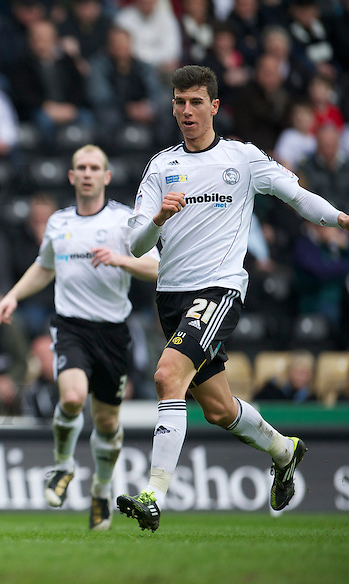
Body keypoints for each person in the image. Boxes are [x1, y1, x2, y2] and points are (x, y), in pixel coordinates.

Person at [118, 65, 349, 532]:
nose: (187, 111)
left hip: (219, 289)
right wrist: (158, 219)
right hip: (171, 298)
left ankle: (154, 494)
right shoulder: (161, 167)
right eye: (180, 102)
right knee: (219, 409)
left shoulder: (242, 158)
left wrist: (342, 220)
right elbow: (134, 245)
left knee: (167, 375)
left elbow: (297, 196)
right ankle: (284, 450)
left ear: (215, 106)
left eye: (196, 102)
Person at [0, 144, 159, 530]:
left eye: (94, 168)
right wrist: (13, 295)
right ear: (71, 176)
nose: (87, 173)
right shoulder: (58, 222)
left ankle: (100, 491)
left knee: (106, 424)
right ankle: (63, 466)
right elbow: (44, 267)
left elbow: (157, 268)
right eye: (81, 168)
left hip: (112, 332)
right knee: (70, 398)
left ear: (106, 176)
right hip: (71, 327)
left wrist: (120, 259)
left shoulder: (124, 220)